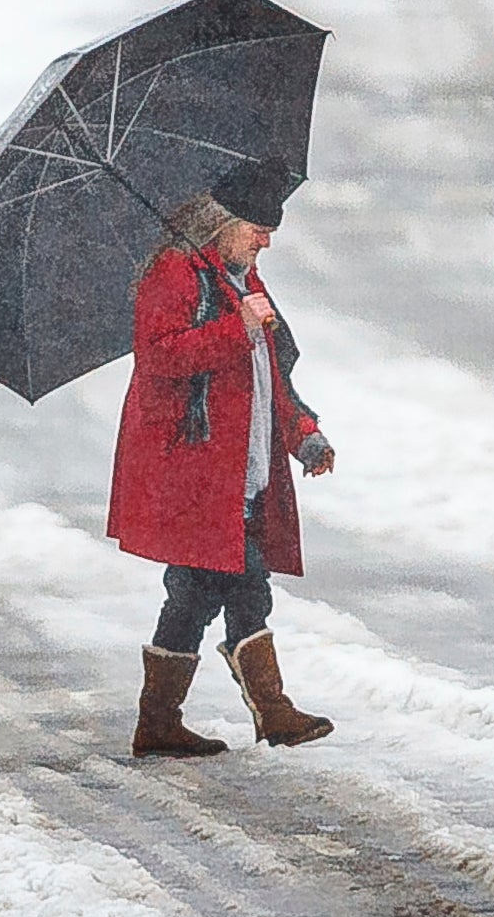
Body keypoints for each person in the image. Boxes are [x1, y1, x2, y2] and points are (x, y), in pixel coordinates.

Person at [109, 161, 335, 759]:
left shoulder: (243, 281)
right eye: (257, 228)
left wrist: (304, 435)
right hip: (193, 476)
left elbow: (271, 379)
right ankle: (274, 711)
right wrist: (234, 327)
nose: (266, 240)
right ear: (223, 223)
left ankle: (157, 723)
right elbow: (158, 358)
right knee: (245, 583)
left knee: (191, 595)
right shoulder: (177, 275)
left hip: (241, 472)